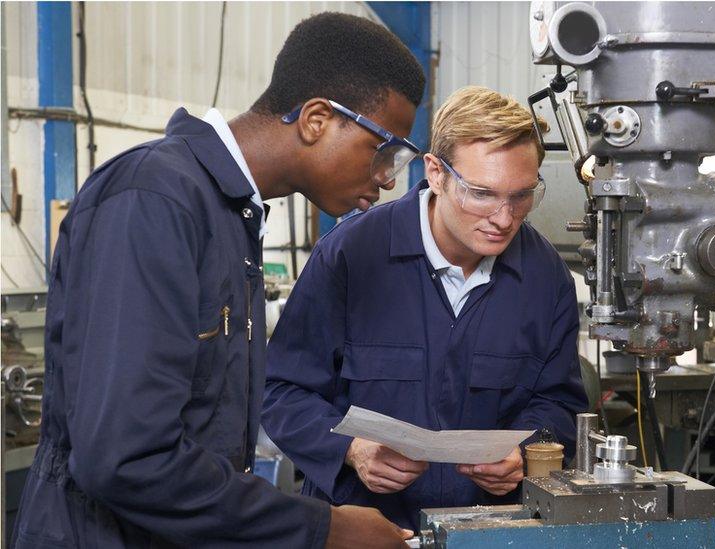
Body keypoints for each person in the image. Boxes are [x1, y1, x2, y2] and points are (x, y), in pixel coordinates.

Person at [12, 12, 425, 549]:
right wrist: (323, 528)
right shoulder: (155, 200)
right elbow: (126, 458)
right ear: (317, 119)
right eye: (383, 148)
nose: (389, 177)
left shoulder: (232, 217)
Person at [262, 86, 588, 531]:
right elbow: (281, 390)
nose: (504, 218)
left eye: (522, 195)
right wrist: (351, 450)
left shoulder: (546, 277)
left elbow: (559, 402)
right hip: (364, 528)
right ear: (436, 173)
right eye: (482, 193)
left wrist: (527, 452)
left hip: (493, 532)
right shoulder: (351, 255)